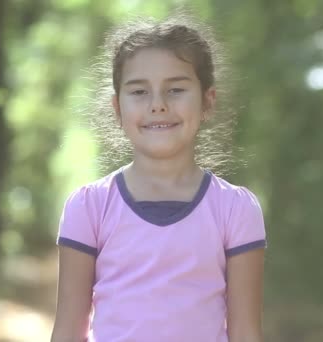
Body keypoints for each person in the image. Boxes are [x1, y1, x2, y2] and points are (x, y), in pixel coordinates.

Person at [51, 13, 267, 342]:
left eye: (176, 89)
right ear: (117, 108)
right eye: (139, 92)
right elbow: (68, 331)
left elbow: (246, 333)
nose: (158, 105)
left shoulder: (235, 209)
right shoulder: (89, 207)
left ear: (208, 101)